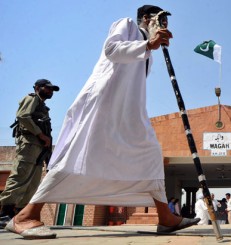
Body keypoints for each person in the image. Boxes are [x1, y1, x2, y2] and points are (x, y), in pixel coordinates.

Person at [5, 5, 199, 239]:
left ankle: (165, 217)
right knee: (76, 156)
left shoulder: (148, 53)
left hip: (130, 112)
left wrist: (150, 47)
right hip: (102, 103)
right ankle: (26, 215)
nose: (165, 26)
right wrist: (148, 44)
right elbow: (111, 49)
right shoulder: (127, 25)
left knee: (150, 154)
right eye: (161, 20)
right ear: (147, 19)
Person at [0, 79, 59, 228]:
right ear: (38, 87)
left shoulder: (42, 106)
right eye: (47, 88)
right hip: (28, 145)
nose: (50, 91)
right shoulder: (32, 99)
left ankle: (20, 216)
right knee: (20, 177)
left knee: (32, 183)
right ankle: (5, 213)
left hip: (39, 148)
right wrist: (40, 134)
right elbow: (23, 116)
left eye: (52, 89)